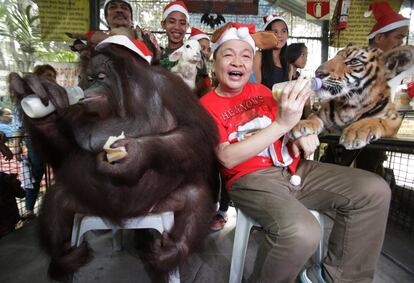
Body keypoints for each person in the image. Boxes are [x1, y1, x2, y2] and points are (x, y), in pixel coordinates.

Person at [200, 22, 390, 283]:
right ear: (214, 62)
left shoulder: (262, 91)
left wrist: (303, 131)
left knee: (373, 190)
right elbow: (226, 157)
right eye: (228, 54)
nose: (238, 62)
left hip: (295, 167)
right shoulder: (205, 105)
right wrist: (283, 125)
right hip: (251, 179)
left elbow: (287, 125)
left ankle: (332, 277)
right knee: (302, 231)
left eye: (246, 55)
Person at [321, 2, 410, 175]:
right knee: (338, 173)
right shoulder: (349, 62)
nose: (401, 42)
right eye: (398, 37)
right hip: (347, 133)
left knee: (371, 169)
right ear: (379, 38)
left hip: (375, 135)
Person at [19, 64, 58, 219]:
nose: (53, 79)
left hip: (54, 139)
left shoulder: (56, 95)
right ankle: (29, 209)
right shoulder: (29, 95)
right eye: (49, 75)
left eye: (54, 76)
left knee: (61, 173)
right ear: (38, 76)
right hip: (36, 140)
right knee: (36, 173)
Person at [253, 14, 290, 89]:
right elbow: (255, 88)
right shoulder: (258, 56)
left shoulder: (287, 62)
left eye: (283, 31)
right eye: (275, 32)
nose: (280, 35)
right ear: (266, 35)